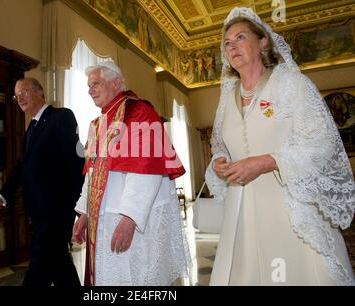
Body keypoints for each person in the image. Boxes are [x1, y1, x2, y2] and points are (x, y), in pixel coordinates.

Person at [205, 7, 355, 286]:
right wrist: (220, 161)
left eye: (240, 38)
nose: (232, 46)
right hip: (241, 213)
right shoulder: (227, 96)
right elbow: (220, 144)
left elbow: (321, 144)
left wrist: (267, 161)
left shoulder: (292, 84)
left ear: (262, 42)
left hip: (288, 207)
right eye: (227, 43)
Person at [72, 61, 190, 286]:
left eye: (96, 84)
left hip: (130, 218)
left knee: (136, 278)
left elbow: (146, 171)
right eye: (89, 86)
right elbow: (91, 174)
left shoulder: (139, 113)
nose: (90, 90)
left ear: (116, 82)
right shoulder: (96, 124)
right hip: (103, 219)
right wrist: (84, 213)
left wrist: (130, 218)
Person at [0, 78, 85, 286]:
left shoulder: (61, 117)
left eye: (24, 92)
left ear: (40, 92)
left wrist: (78, 208)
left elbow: (76, 164)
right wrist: (2, 195)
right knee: (59, 265)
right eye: (16, 95)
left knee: (39, 266)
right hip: (38, 212)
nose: (19, 97)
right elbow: (21, 168)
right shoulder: (31, 128)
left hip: (57, 211)